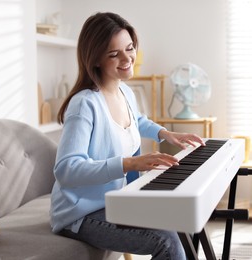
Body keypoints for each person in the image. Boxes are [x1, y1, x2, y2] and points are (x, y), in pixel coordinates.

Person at [50, 12, 205, 260]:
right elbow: (66, 169)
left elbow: (135, 121)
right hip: (82, 214)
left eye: (129, 48)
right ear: (96, 59)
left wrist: (165, 133)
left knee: (178, 217)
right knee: (166, 241)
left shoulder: (124, 91)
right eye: (114, 54)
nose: (127, 58)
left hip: (115, 201)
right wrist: (129, 164)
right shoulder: (84, 105)